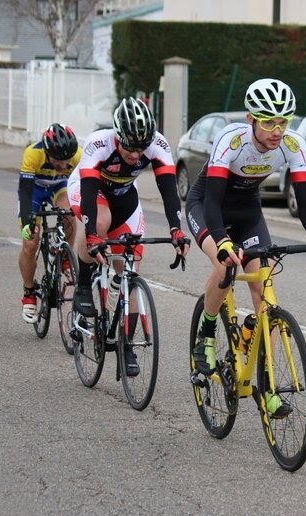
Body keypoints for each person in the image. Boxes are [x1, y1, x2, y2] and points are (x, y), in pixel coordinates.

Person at [185, 78, 306, 412]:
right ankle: (207, 335)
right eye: (269, 121)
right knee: (225, 263)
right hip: (207, 206)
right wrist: (224, 242)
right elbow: (212, 202)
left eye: (284, 121)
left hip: (247, 212)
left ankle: (269, 388)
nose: (277, 130)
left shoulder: (294, 145)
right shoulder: (231, 140)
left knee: (264, 295)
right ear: (250, 118)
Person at [69, 97, 189, 377]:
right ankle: (84, 284)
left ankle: (126, 345)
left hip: (125, 197)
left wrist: (176, 229)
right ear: (117, 135)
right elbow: (88, 190)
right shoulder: (100, 143)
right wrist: (91, 235)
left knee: (130, 271)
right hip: (89, 190)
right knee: (101, 221)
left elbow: (169, 190)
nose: (136, 156)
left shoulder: (157, 145)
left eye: (141, 149)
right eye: (129, 148)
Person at [18, 123, 79, 324]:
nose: (63, 165)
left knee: (70, 213)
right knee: (31, 242)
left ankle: (64, 257)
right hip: (35, 190)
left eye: (66, 161)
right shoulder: (33, 154)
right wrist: (29, 221)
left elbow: (83, 186)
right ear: (47, 152)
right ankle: (29, 292)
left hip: (60, 187)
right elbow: (25, 192)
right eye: (57, 161)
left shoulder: (77, 155)